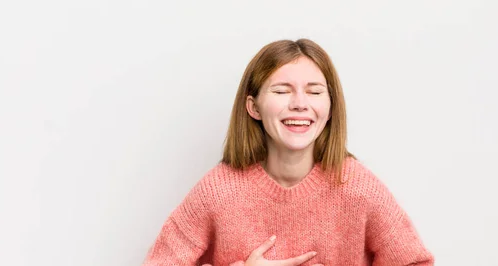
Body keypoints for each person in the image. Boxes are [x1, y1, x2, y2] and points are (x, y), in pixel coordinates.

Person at [142, 39, 434, 265]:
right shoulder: (218, 192)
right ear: (253, 107)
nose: (299, 104)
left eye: (315, 91)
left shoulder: (359, 188)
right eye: (282, 91)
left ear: (330, 107)